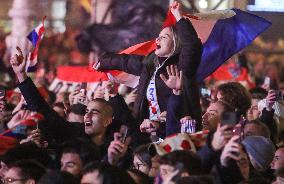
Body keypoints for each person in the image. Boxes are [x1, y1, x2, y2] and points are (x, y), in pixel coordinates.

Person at [94, 1, 202, 131]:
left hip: (174, 133)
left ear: (176, 44)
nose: (157, 40)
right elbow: (126, 61)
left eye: (164, 37)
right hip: (146, 131)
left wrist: (179, 16)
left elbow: (191, 45)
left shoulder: (183, 66)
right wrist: (103, 61)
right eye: (158, 37)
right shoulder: (150, 64)